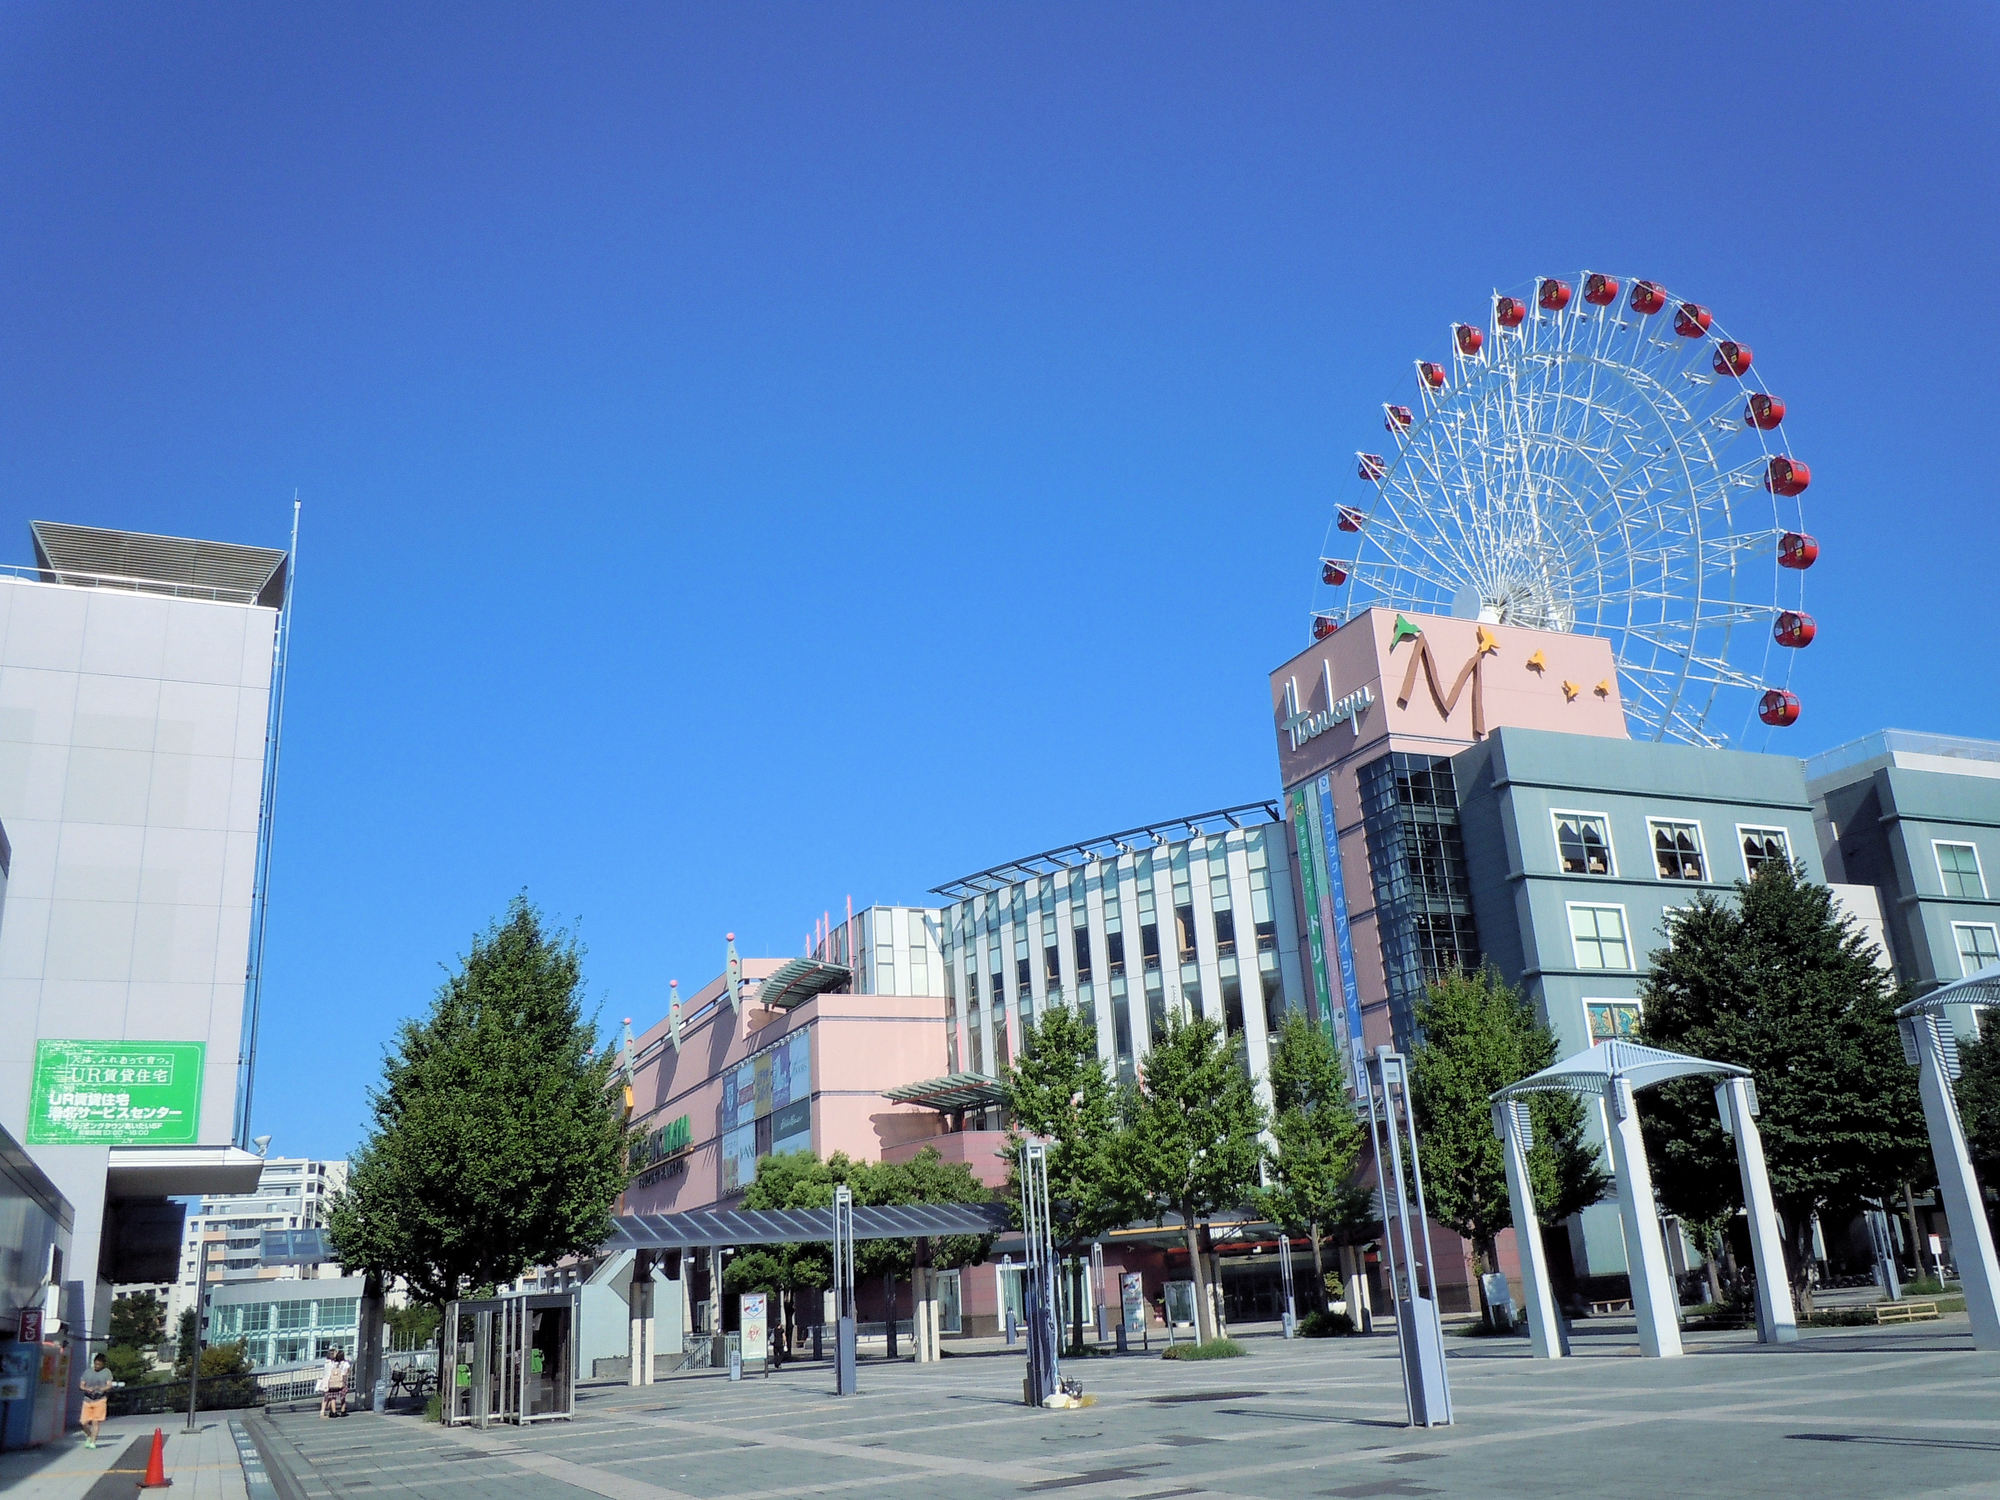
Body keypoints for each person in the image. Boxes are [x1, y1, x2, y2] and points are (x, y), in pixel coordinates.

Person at [78, 1353, 117, 1448]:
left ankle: (93, 1442)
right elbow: (81, 1385)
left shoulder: (107, 1372)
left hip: (100, 1400)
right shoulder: (88, 1372)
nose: (97, 1366)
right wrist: (87, 1389)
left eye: (99, 1364)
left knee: (95, 1421)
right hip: (87, 1399)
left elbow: (109, 1385)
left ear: (103, 1364)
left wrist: (101, 1389)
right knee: (83, 1422)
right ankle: (89, 1435)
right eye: (96, 1364)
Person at [317, 1347, 349, 1418]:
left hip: (328, 1381)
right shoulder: (333, 1363)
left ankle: (331, 1411)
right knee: (332, 1397)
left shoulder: (327, 1362)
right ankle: (325, 1411)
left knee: (329, 1397)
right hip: (333, 1381)